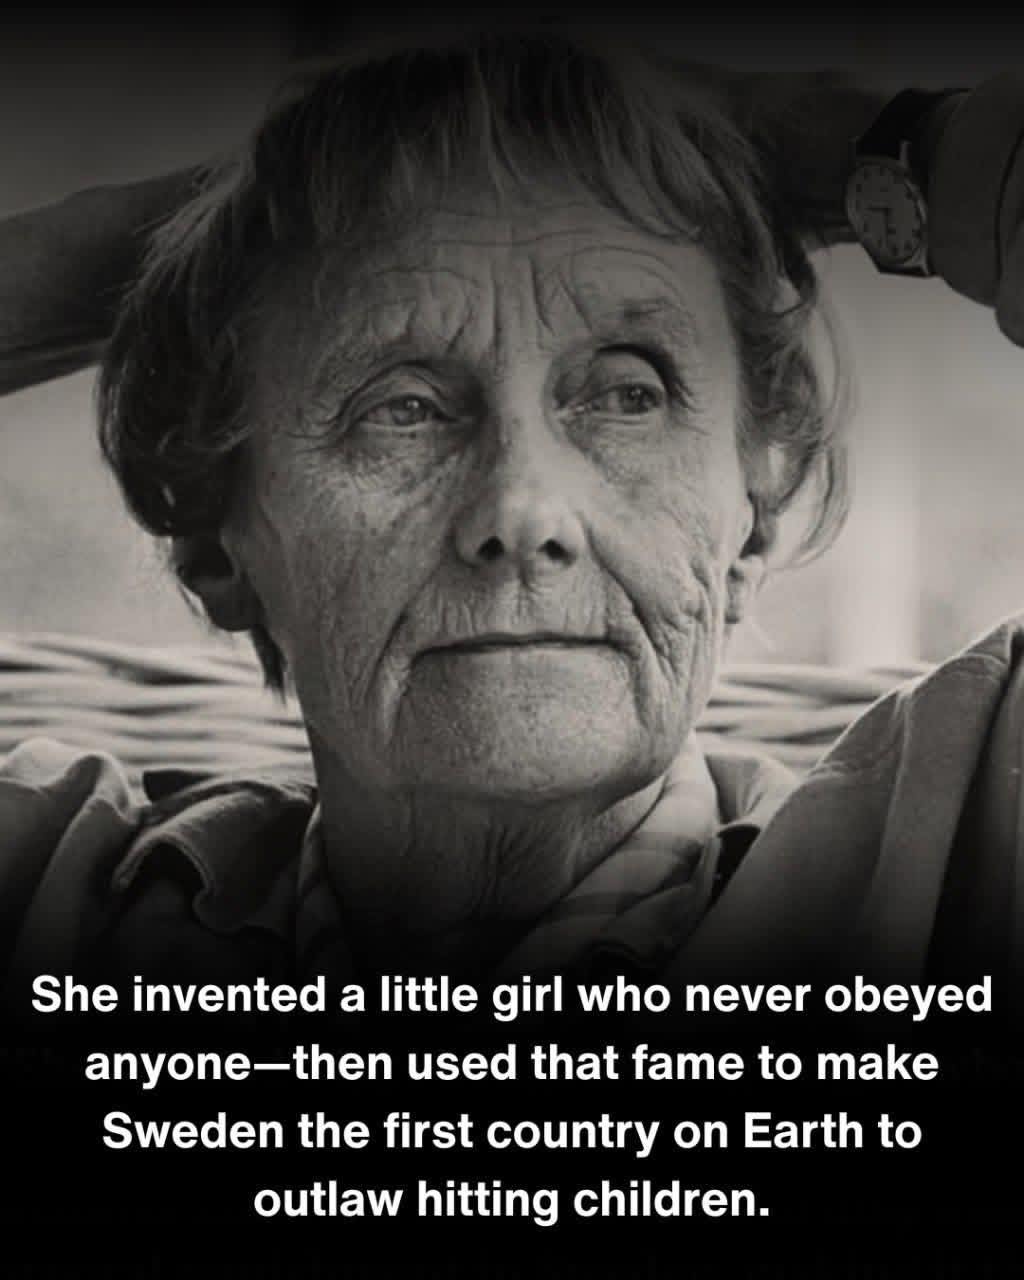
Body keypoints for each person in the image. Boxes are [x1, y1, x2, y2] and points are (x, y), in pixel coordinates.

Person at [3, 27, 1024, 1006]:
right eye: (401, 407)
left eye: (629, 394)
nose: (523, 510)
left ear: (751, 521)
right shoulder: (53, 900)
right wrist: (237, 217)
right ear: (209, 533)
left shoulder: (957, 856)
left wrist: (881, 153)